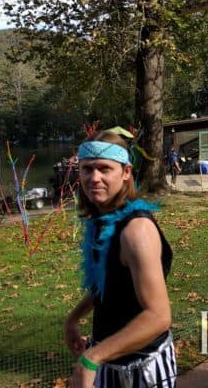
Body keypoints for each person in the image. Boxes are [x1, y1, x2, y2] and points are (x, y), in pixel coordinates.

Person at [64, 131, 176, 387]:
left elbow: (158, 316)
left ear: (126, 172)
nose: (94, 178)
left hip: (143, 368)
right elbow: (109, 284)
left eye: (105, 169)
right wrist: (73, 318)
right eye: (87, 169)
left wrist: (92, 358)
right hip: (109, 360)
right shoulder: (101, 222)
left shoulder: (136, 231)